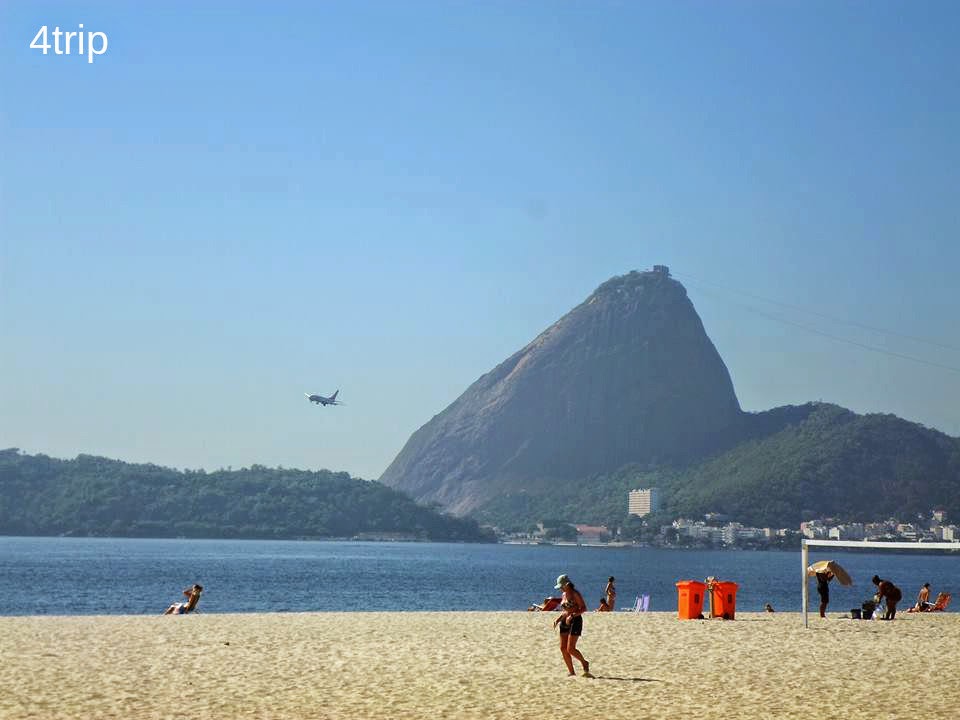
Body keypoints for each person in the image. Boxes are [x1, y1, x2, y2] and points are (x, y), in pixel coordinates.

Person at [552, 574, 592, 678]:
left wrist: (573, 615)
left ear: (566, 584)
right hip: (564, 621)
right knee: (563, 648)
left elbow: (583, 608)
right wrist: (558, 619)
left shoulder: (575, 594)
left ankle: (584, 662)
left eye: (561, 586)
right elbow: (565, 610)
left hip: (576, 620)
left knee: (570, 648)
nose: (560, 588)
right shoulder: (563, 595)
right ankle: (572, 672)